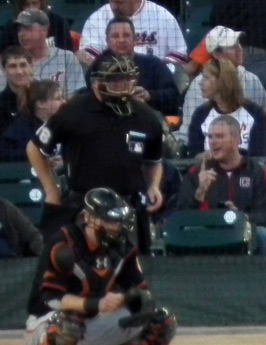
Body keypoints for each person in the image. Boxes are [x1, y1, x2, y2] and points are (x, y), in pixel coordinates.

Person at [24, 188, 176, 345]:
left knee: (161, 322)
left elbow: (142, 293)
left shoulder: (122, 248)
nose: (115, 227)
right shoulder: (64, 244)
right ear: (88, 217)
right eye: (109, 221)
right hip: (45, 324)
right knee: (68, 325)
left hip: (92, 322)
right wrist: (96, 304)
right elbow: (50, 299)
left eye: (118, 221)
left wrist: (126, 299)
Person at [26, 52, 165, 250]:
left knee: (130, 265)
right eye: (114, 79)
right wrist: (51, 189)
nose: (122, 85)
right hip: (84, 206)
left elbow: (153, 161)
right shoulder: (72, 111)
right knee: (77, 262)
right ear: (95, 83)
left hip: (127, 206)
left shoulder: (146, 117)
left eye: (126, 78)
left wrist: (153, 186)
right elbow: (34, 147)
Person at [178, 115, 266, 254]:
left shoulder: (259, 173)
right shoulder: (196, 172)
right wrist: (200, 192)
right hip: (207, 231)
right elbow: (181, 216)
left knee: (263, 234)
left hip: (244, 231)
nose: (213, 142)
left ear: (237, 139)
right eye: (210, 137)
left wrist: (241, 217)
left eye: (219, 136)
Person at [180, 26, 266, 144]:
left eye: (238, 43)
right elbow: (190, 133)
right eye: (232, 46)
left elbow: (263, 123)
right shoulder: (199, 85)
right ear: (216, 54)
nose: (239, 49)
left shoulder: (253, 80)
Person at [185, 58, 266, 157]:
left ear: (221, 81)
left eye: (206, 77)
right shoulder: (200, 114)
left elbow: (258, 156)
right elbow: (194, 155)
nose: (200, 82)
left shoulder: (255, 113)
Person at [97, 17, 180, 117]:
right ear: (107, 41)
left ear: (135, 39)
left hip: (147, 121)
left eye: (126, 35)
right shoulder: (97, 68)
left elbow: (174, 97)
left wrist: (149, 95)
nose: (121, 40)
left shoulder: (154, 64)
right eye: (115, 36)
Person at [0, 9, 85, 99]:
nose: (21, 34)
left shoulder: (66, 58)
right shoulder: (11, 63)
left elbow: (74, 99)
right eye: (19, 30)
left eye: (27, 29)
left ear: (44, 30)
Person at [77, 0, 188, 69]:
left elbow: (179, 55)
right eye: (112, 2)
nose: (114, 7)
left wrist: (157, 69)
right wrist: (86, 58)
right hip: (112, 82)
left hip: (154, 83)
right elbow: (88, 58)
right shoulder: (96, 19)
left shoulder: (162, 16)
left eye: (120, 3)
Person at [0, 79, 63, 162]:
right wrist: (37, 156)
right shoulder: (21, 128)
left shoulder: (61, 125)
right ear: (41, 104)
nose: (63, 102)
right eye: (58, 98)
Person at [0, 47, 33, 142]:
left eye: (23, 65)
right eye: (13, 66)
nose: (19, 72)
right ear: (4, 71)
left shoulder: (42, 99)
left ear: (31, 67)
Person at [0, 0, 74, 56]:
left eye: (35, 3)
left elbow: (68, 52)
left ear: (42, 4)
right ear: (21, 6)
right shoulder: (11, 26)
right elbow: (0, 56)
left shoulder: (58, 23)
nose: (31, 8)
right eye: (26, 4)